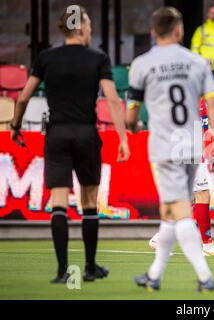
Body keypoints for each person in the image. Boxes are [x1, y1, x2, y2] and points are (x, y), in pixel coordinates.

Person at [10, 6, 130, 283]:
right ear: (83, 28)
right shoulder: (97, 57)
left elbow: (25, 96)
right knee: (89, 202)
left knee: (60, 202)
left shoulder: (46, 57)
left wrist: (16, 125)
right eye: (88, 26)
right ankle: (89, 267)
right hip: (87, 134)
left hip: (58, 135)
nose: (90, 31)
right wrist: (123, 138)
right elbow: (112, 100)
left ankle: (62, 271)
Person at [127, 7, 214, 292]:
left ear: (153, 32)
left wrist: (132, 129)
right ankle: (154, 275)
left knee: (179, 208)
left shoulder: (142, 64)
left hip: (165, 145)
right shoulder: (197, 62)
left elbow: (131, 115)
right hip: (192, 142)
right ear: (180, 31)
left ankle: (205, 276)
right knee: (169, 210)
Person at [148, 100, 214, 257]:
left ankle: (160, 238)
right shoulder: (186, 99)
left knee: (188, 201)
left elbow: (212, 122)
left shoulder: (203, 101)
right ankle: (207, 245)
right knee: (203, 195)